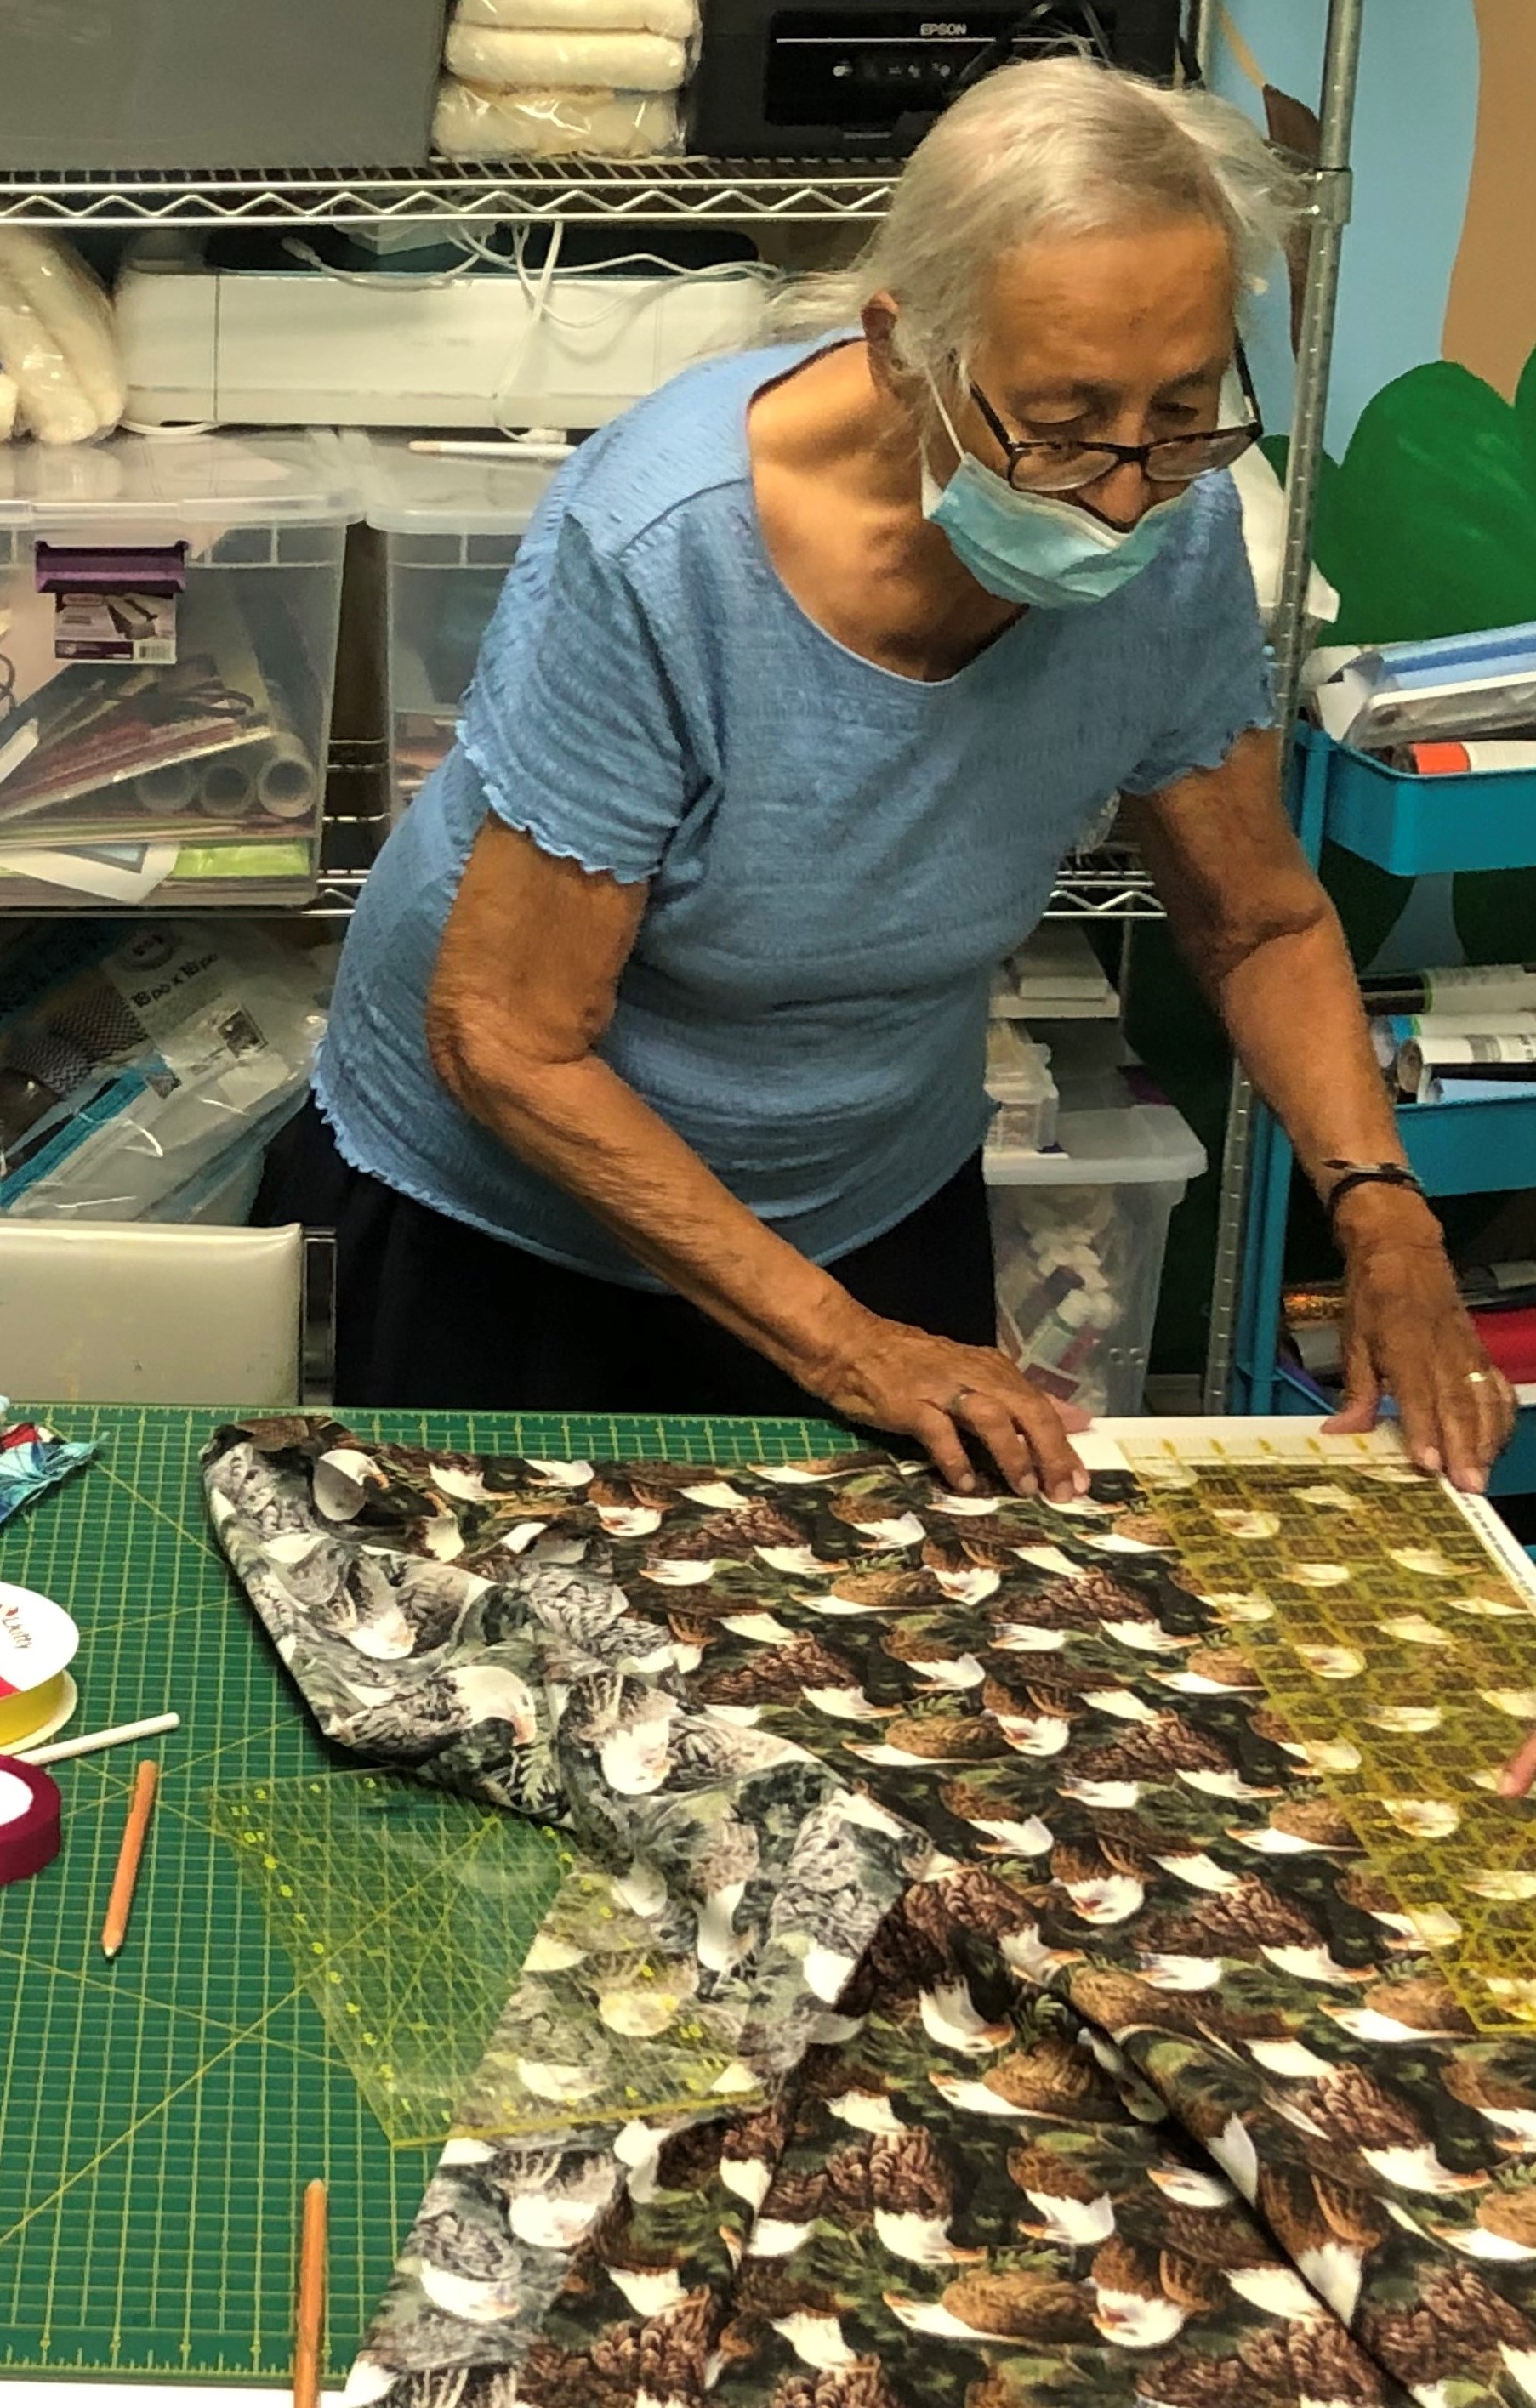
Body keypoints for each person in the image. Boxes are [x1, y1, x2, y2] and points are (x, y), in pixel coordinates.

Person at [257, 54, 1513, 1503]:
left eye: (1181, 412)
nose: (1122, 496)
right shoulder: (667, 543)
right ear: (903, 348)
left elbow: (1257, 919)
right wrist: (849, 1350)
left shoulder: (1172, 536)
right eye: (1058, 426)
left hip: (867, 1195)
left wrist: (1382, 1209)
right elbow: (506, 1037)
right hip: (513, 1223)